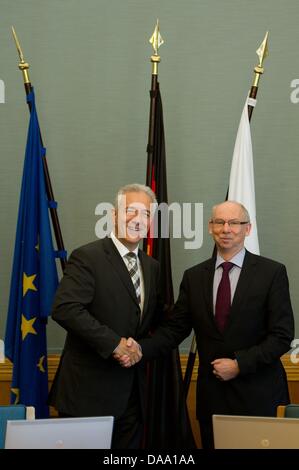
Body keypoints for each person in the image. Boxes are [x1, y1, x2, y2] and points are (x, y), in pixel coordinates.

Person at [130, 200, 294, 449]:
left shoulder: (272, 273)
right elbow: (175, 329)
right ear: (210, 227)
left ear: (247, 229)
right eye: (219, 222)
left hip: (259, 397)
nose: (226, 228)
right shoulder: (194, 276)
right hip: (213, 398)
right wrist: (138, 350)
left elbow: (282, 335)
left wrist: (240, 364)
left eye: (234, 223)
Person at [49, 183, 163, 449]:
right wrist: (115, 344)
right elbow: (65, 308)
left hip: (131, 397)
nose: (138, 219)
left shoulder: (152, 267)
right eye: (130, 211)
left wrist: (138, 347)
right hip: (88, 396)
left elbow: (148, 320)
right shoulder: (88, 257)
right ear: (114, 215)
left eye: (145, 214)